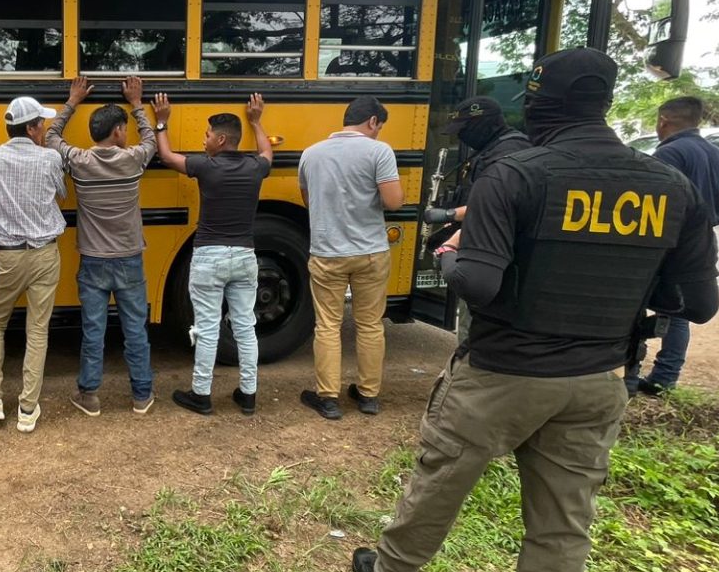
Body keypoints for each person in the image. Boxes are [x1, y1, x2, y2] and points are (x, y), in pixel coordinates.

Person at [351, 48, 719, 572]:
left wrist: (451, 255)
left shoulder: (517, 175)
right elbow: (697, 303)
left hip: (502, 374)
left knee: (440, 483)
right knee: (562, 526)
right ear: (604, 103)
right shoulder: (671, 187)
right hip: (598, 379)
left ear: (543, 106)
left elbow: (480, 285)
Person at [153, 92, 272, 415]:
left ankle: (201, 394)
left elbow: (166, 156)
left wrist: (162, 121)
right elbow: (267, 152)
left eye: (207, 135)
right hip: (244, 256)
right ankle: (248, 394)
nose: (203, 140)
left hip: (209, 256)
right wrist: (256, 122)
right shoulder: (254, 167)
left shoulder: (206, 166)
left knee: (207, 328)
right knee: (245, 327)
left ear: (220, 140)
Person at [45, 76, 157, 415]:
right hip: (129, 258)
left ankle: (90, 395)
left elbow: (51, 137)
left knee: (94, 330)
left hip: (93, 260)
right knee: (135, 329)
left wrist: (72, 101)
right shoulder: (133, 159)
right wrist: (137, 103)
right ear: (119, 131)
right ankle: (141, 396)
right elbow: (151, 139)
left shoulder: (79, 161)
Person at [0, 96, 66, 433]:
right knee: (37, 329)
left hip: (7, 255)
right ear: (33, 128)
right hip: (44, 254)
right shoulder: (50, 158)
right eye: (42, 124)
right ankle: (27, 408)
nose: (44, 129)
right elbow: (62, 193)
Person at [295, 95, 402, 420]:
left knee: (328, 325)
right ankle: (368, 396)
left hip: (328, 252)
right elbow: (394, 201)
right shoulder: (379, 152)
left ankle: (328, 398)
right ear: (372, 121)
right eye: (379, 127)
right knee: (369, 324)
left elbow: (308, 200)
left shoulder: (311, 154)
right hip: (370, 252)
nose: (378, 133)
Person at [626, 95, 719, 396]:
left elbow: (657, 201)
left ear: (663, 121)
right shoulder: (716, 153)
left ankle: (632, 376)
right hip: (702, 242)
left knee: (645, 305)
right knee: (679, 309)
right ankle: (665, 377)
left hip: (670, 241)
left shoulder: (669, 153)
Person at [426, 96, 531, 345]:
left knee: (475, 326)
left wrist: (450, 216)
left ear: (483, 124)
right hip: (480, 243)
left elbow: (498, 205)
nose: (461, 137)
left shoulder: (509, 154)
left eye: (464, 130)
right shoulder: (490, 149)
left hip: (494, 253)